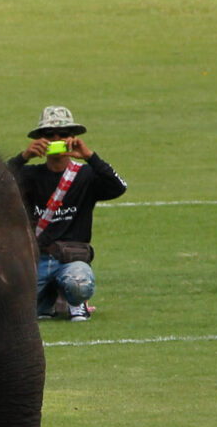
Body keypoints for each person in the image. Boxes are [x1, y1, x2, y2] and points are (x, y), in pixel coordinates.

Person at [7, 106, 127, 322]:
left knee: (78, 282)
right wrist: (23, 157)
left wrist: (90, 156)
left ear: (73, 138)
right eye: (49, 135)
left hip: (72, 260)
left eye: (63, 134)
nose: (56, 139)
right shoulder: (28, 175)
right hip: (37, 260)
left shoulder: (86, 175)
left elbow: (119, 187)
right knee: (14, 306)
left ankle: (76, 303)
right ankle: (47, 302)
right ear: (40, 139)